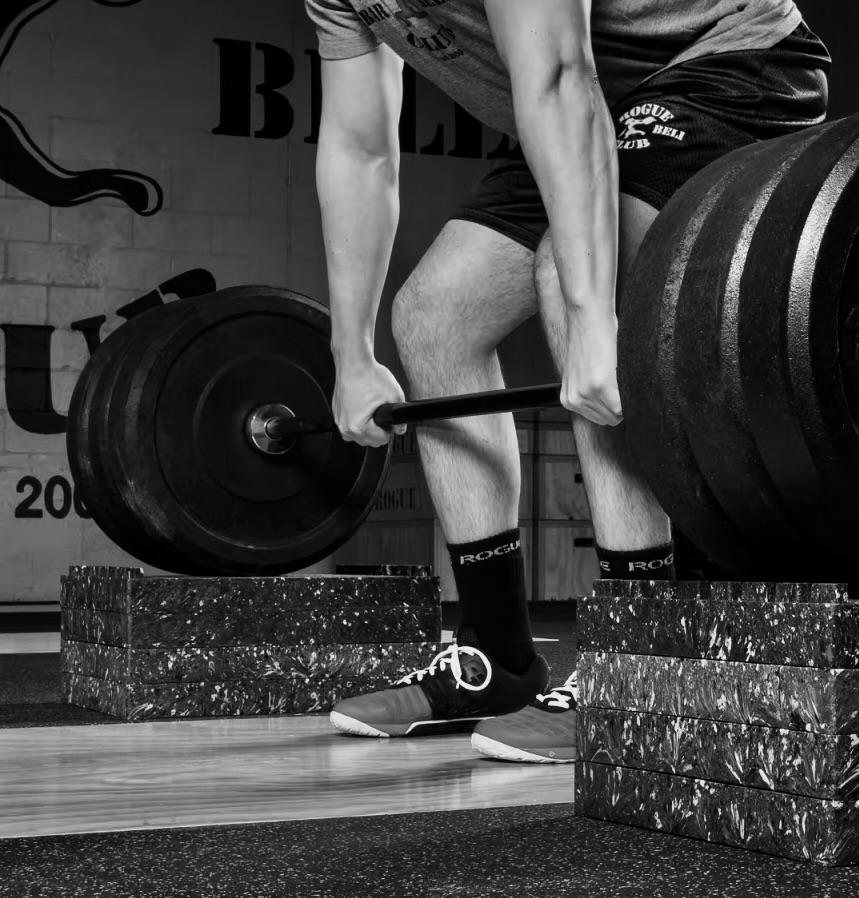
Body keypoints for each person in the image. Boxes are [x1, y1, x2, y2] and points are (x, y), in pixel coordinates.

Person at [305, 0, 829, 762]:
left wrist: (593, 319)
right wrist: (350, 352)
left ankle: (641, 656)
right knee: (433, 316)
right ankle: (498, 659)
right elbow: (358, 150)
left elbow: (558, 75)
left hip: (725, 62)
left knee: (573, 272)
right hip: (584, 103)